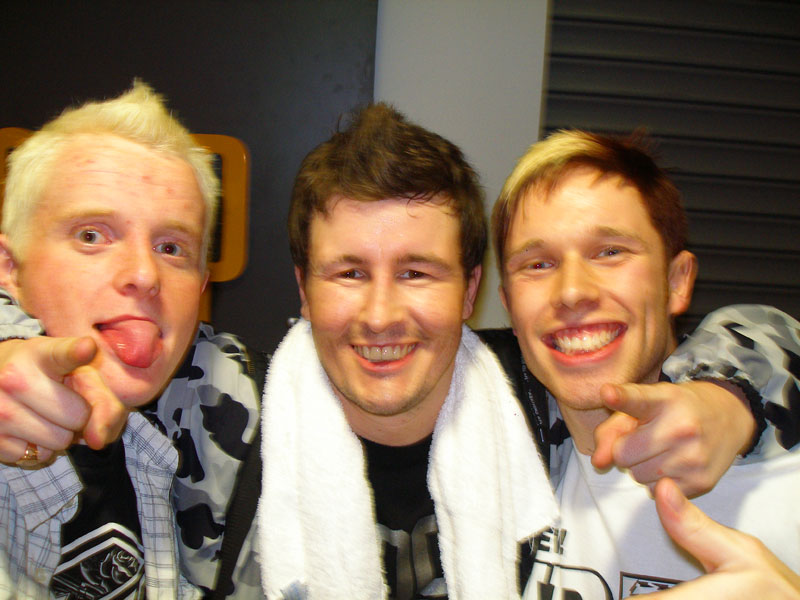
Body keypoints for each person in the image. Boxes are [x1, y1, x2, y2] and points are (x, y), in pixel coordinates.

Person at [1, 100, 796, 599]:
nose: (381, 315)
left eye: (417, 272)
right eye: (349, 273)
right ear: (303, 289)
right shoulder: (216, 410)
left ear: (471, 288)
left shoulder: (541, 404)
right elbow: (86, 343)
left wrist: (723, 398)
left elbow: (757, 335)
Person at [491, 128, 800, 599]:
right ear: (510, 308)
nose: (572, 292)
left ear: (676, 282)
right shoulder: (495, 461)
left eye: (610, 252)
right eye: (538, 264)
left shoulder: (784, 479)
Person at [0, 81, 261, 599]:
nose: (144, 274)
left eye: (171, 247)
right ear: (10, 268)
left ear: (201, 286)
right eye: (91, 236)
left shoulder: (228, 403)